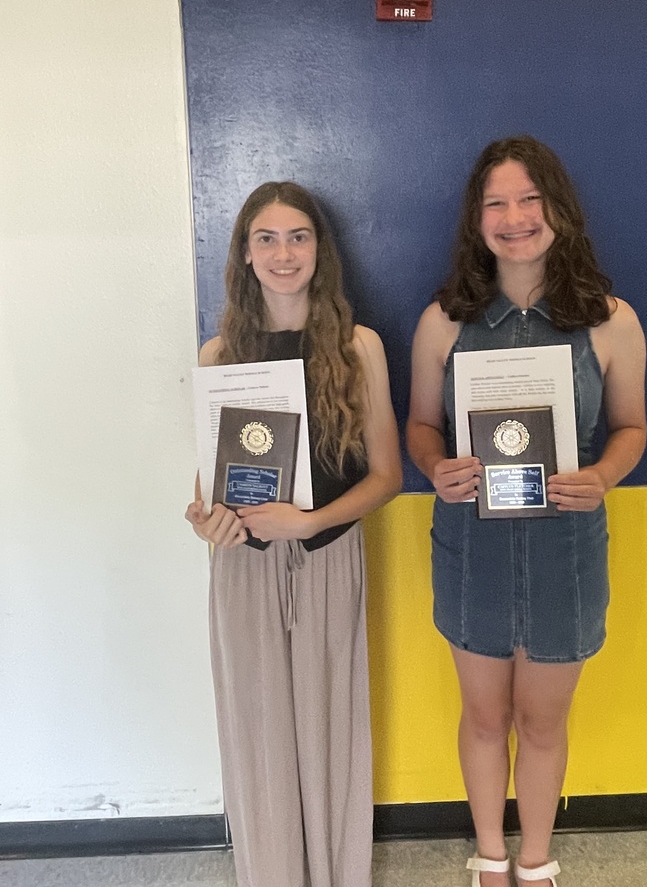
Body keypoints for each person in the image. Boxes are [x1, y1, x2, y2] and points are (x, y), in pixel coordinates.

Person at [406, 137, 646, 887]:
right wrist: (434, 467)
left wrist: (602, 475)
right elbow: (419, 426)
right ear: (477, 222)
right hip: (472, 548)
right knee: (483, 718)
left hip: (566, 552)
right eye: (496, 204)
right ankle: (488, 856)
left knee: (543, 723)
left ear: (559, 210)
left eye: (530, 200)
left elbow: (633, 429)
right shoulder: (443, 322)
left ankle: (536, 863)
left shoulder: (611, 321)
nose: (515, 218)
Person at [185, 181, 402, 887]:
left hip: (328, 558)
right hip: (243, 567)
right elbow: (207, 486)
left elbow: (386, 477)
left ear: (321, 250)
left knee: (329, 724)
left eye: (298, 237)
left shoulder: (357, 346)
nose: (284, 253)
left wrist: (308, 522)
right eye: (267, 239)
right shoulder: (220, 353)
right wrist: (204, 517)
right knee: (258, 727)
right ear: (245, 255)